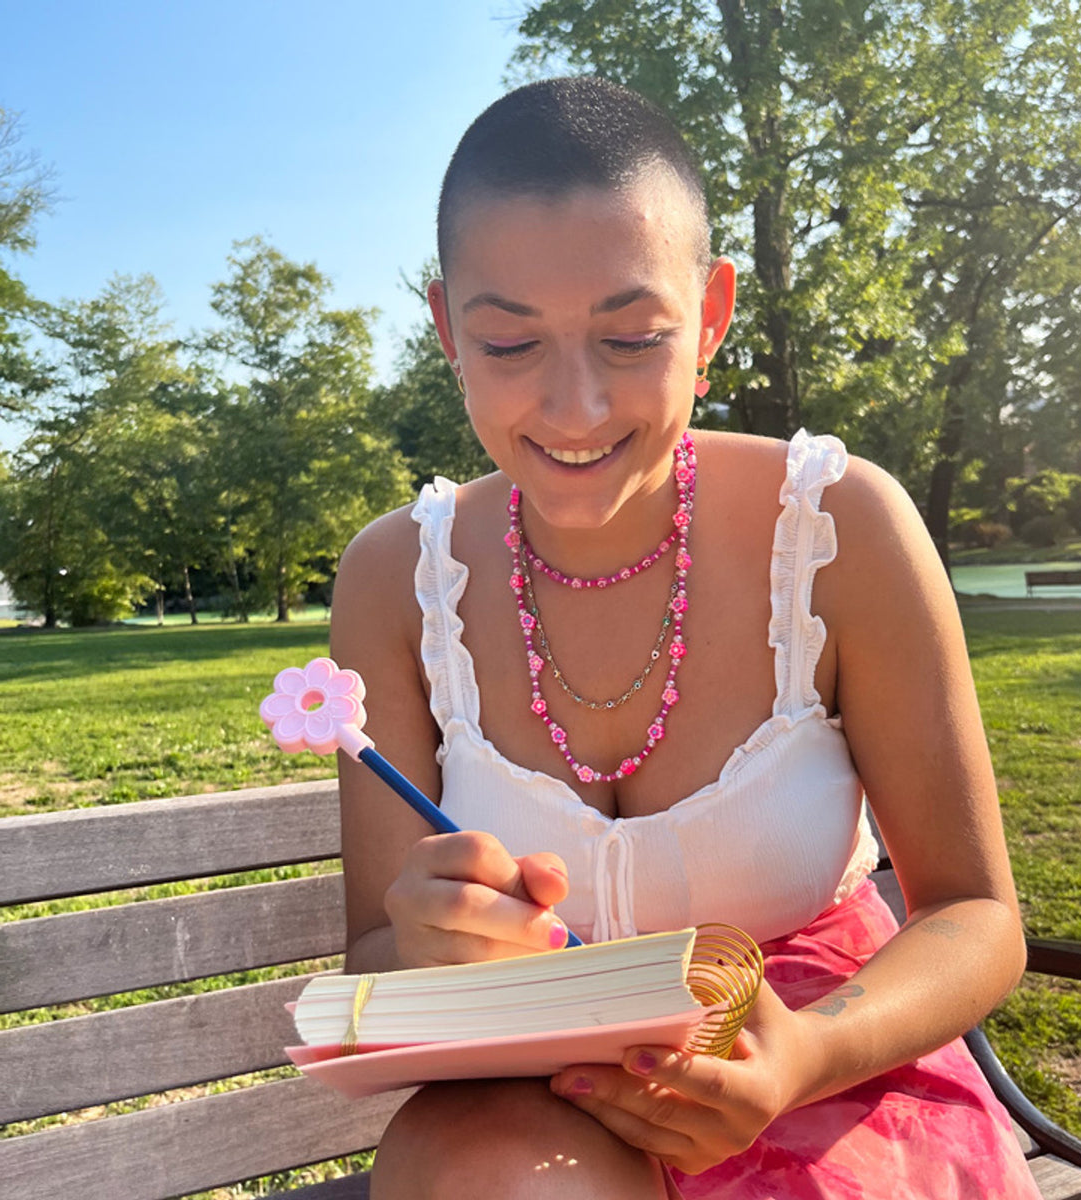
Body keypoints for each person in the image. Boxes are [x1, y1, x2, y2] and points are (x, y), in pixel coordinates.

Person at [331, 76, 1041, 1199]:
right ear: (445, 330)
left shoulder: (841, 527)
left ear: (709, 315)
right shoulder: (392, 579)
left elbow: (975, 915)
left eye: (631, 338)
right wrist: (435, 942)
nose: (573, 409)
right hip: (537, 1105)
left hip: (834, 1075)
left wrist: (804, 1054)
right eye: (509, 344)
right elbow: (374, 953)